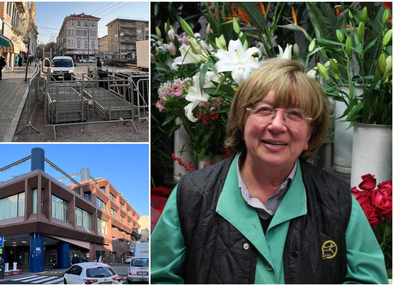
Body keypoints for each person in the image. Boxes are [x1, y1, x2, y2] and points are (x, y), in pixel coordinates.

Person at [150, 59, 388, 283]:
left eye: (294, 114)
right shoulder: (192, 194)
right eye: (264, 110)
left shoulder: (336, 200)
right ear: (242, 121)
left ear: (310, 135)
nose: (277, 125)